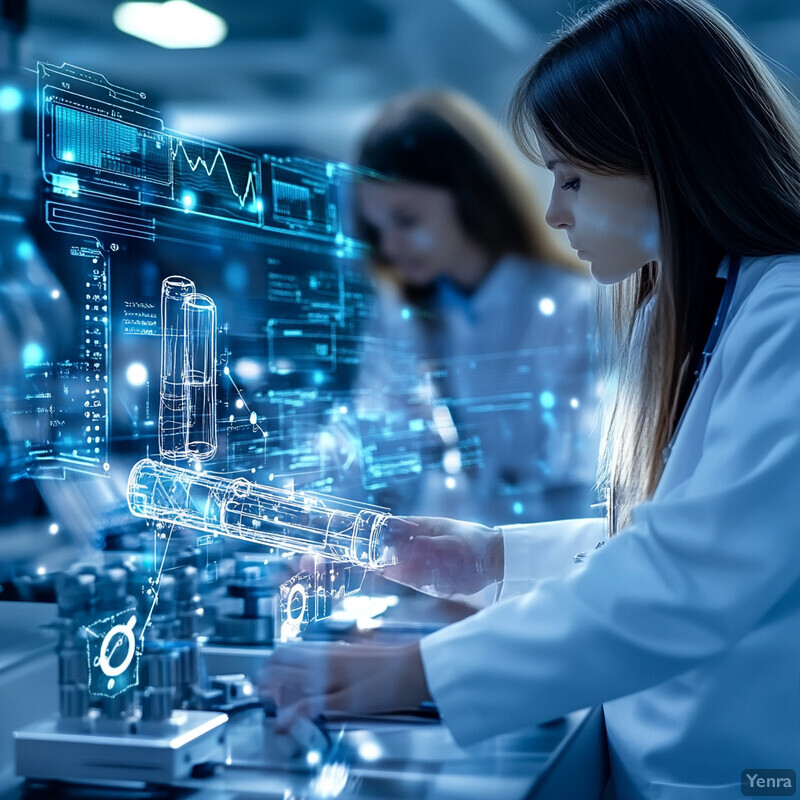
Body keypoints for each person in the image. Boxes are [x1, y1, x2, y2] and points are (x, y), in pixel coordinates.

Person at [262, 0, 800, 796]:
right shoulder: (701, 308)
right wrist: (488, 558)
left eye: (574, 177)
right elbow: (675, 532)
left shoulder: (786, 319)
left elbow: (686, 581)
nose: (555, 211)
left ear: (666, 154)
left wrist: (419, 672)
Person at [346, 90, 599, 526]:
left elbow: (580, 491)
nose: (388, 247)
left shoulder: (573, 308)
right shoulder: (401, 315)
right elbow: (370, 457)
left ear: (470, 197)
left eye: (407, 220)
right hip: (455, 567)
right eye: (376, 227)